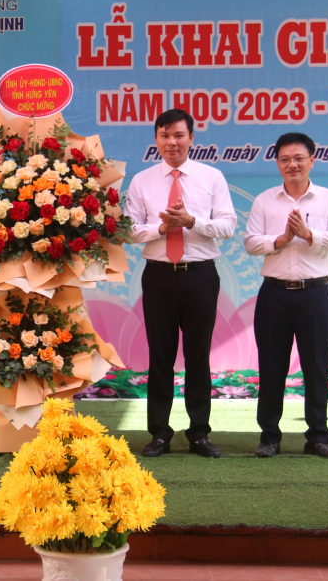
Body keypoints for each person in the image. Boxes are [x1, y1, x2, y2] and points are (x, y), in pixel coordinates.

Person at [125, 108, 236, 458]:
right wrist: (161, 228)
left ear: (191, 138)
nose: (171, 142)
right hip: (159, 275)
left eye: (178, 135)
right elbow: (129, 230)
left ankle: (199, 433)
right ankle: (159, 433)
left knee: (198, 355)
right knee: (160, 356)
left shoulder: (211, 177)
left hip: (200, 275)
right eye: (164, 135)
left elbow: (228, 225)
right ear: (156, 139)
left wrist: (191, 222)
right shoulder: (142, 181)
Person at [243, 132, 328, 459]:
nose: (292, 164)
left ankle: (317, 437)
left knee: (317, 367)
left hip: (315, 294)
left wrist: (308, 234)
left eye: (299, 158)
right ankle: (269, 438)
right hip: (274, 294)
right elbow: (251, 243)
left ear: (311, 161)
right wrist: (282, 239)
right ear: (277, 163)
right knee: (271, 367)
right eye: (285, 159)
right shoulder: (265, 201)